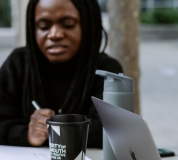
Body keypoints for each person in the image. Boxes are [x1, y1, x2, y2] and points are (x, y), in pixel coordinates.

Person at [0, 0, 123, 148]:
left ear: (88, 25)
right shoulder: (18, 64)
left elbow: (114, 130)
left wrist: (55, 130)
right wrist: (26, 134)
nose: (55, 34)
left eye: (68, 24)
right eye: (44, 26)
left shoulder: (107, 70)